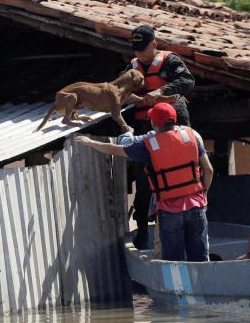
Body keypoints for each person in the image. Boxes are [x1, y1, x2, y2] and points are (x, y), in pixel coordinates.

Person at [75, 103, 213, 261]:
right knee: (201, 259)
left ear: (154, 123)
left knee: (174, 262)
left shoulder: (149, 144)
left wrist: (91, 142)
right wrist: (203, 195)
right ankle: (202, 285)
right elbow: (208, 170)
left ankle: (177, 287)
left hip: (169, 210)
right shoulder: (192, 136)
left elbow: (116, 149)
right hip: (196, 206)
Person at [127, 25, 195, 249]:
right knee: (144, 177)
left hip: (172, 126)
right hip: (145, 126)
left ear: (154, 44)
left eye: (143, 49)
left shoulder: (169, 61)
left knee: (178, 177)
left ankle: (189, 226)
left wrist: (160, 93)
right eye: (136, 49)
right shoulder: (132, 66)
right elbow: (117, 89)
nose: (139, 54)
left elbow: (187, 82)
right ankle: (143, 232)